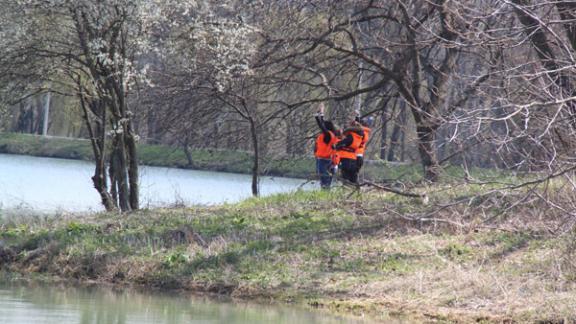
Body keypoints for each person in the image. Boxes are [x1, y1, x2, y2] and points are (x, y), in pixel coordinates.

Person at [314, 103, 339, 189]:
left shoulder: (328, 135)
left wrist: (318, 116)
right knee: (327, 180)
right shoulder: (332, 135)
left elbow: (322, 126)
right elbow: (323, 125)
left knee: (324, 179)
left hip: (323, 160)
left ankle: (325, 192)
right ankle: (326, 193)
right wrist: (321, 115)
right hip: (329, 160)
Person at [334, 118, 364, 184]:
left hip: (346, 160)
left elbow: (341, 144)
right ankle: (355, 191)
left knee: (345, 179)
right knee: (353, 179)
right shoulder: (359, 137)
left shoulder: (351, 136)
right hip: (354, 159)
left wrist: (337, 144)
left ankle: (346, 191)